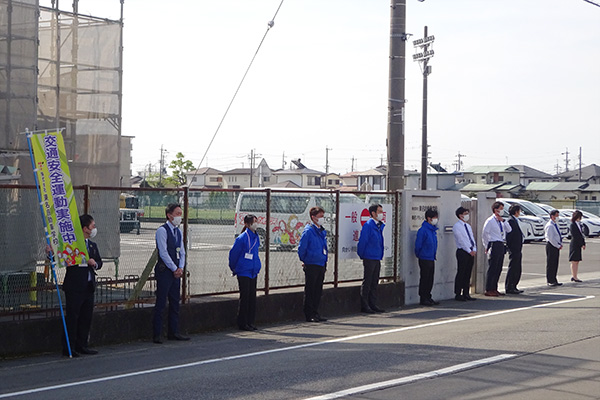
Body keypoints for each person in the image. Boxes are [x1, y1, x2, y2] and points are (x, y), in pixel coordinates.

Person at [61, 214, 102, 357]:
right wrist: (50, 253)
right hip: (74, 286)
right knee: (73, 317)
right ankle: (69, 347)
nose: (94, 229)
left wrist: (94, 264)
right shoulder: (72, 245)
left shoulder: (92, 245)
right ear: (85, 228)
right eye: (92, 226)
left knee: (86, 317)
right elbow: (60, 257)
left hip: (88, 286)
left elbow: (99, 262)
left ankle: (82, 344)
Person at [152, 203, 190, 343]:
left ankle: (173, 331)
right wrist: (174, 268)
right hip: (165, 271)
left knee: (175, 302)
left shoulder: (178, 231)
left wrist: (180, 267)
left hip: (176, 272)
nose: (180, 217)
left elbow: (182, 252)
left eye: (181, 214)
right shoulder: (162, 231)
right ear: (169, 215)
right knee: (161, 302)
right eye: (177, 214)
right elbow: (163, 252)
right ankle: (157, 333)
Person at [229, 214, 261, 331]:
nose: (255, 224)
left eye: (256, 221)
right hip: (243, 271)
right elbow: (233, 254)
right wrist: (234, 268)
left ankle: (250, 321)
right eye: (253, 222)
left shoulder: (256, 237)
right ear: (247, 224)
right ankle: (242, 322)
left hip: (253, 271)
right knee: (245, 297)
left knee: (252, 297)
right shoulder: (242, 238)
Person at [298, 206, 328, 322]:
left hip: (321, 263)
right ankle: (309, 313)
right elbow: (302, 249)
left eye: (322, 216)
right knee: (310, 290)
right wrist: (305, 260)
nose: (322, 219)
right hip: (311, 264)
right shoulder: (309, 231)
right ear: (313, 217)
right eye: (320, 216)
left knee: (318, 290)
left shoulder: (322, 231)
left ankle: (316, 312)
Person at [357, 204, 386, 313]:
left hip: (376, 257)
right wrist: (362, 255)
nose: (381, 214)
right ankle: (365, 305)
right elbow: (363, 241)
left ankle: (372, 303)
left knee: (374, 281)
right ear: (373, 213)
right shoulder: (368, 225)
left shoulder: (378, 226)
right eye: (379, 211)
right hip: (369, 257)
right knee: (368, 281)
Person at [482, 201, 512, 297]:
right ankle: (489, 288)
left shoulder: (501, 221)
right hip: (494, 244)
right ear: (496, 210)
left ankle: (494, 288)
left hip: (501, 244)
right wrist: (486, 246)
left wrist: (503, 220)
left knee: (498, 268)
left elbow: (509, 229)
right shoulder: (490, 221)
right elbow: (485, 234)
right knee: (492, 268)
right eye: (501, 209)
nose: (502, 211)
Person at [414, 208, 439, 306]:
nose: (436, 219)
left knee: (430, 278)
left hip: (431, 257)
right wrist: (420, 254)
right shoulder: (423, 230)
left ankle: (428, 296)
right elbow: (418, 245)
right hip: (424, 257)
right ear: (429, 218)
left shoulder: (433, 230)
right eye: (434, 217)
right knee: (424, 278)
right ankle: (423, 298)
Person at [452, 207, 477, 301]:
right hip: (463, 251)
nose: (467, 215)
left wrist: (474, 248)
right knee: (461, 272)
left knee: (468, 273)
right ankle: (458, 293)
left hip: (470, 251)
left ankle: (466, 293)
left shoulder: (468, 226)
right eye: (465, 213)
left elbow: (471, 238)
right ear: (460, 215)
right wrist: (468, 250)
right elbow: (461, 240)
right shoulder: (457, 226)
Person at [505, 204, 524, 294]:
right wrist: (510, 247)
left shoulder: (514, 220)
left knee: (517, 267)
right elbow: (509, 236)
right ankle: (510, 286)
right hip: (514, 248)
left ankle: (514, 285)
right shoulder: (511, 221)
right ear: (516, 211)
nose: (519, 213)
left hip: (518, 248)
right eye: (519, 211)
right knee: (513, 267)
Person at [545, 209, 563, 287]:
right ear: (552, 216)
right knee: (551, 263)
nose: (557, 217)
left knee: (555, 263)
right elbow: (551, 238)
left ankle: (554, 279)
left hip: (556, 246)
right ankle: (550, 280)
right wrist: (557, 245)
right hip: (551, 246)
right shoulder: (550, 226)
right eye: (556, 216)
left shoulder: (555, 224)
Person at [568, 210, 586, 283]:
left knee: (577, 261)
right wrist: (581, 244)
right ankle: (574, 276)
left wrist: (583, 243)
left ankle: (575, 275)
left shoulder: (579, 224)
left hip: (579, 244)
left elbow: (581, 235)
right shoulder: (572, 225)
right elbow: (575, 236)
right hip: (575, 244)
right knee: (574, 261)